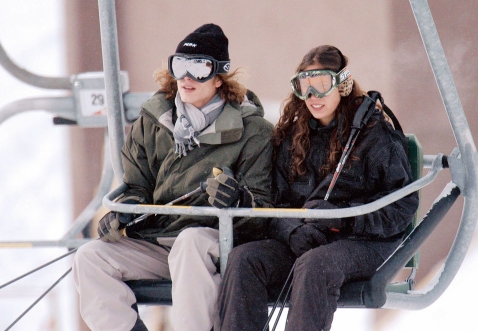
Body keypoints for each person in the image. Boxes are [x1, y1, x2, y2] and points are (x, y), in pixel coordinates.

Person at [72, 23, 274, 331]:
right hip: (158, 240)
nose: (187, 77)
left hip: (213, 242)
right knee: (90, 257)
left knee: (189, 242)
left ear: (219, 78)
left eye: (200, 68)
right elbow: (137, 184)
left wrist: (237, 200)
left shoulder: (252, 131)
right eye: (179, 66)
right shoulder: (154, 122)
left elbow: (263, 209)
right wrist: (125, 212)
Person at [217, 45, 419, 331]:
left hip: (366, 243)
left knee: (316, 264)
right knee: (245, 259)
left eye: (322, 84)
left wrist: (342, 217)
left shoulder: (373, 135)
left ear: (342, 84)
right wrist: (292, 230)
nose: (313, 96)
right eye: (304, 86)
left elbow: (402, 206)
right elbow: (274, 203)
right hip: (308, 241)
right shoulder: (292, 137)